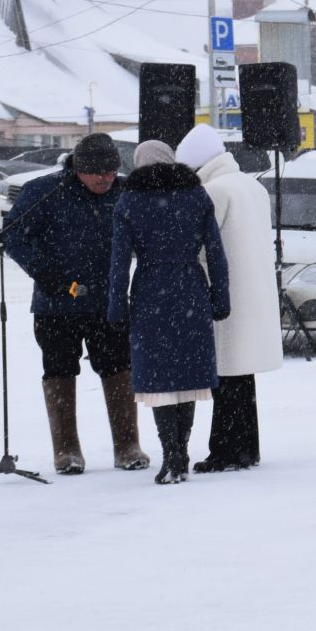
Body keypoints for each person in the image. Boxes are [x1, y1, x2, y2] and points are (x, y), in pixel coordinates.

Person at [1, 132, 148, 475]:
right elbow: (13, 236)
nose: (106, 179)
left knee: (118, 368)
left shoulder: (126, 192)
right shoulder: (45, 191)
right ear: (78, 169)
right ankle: (66, 450)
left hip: (108, 304)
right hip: (57, 304)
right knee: (60, 370)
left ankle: (127, 445)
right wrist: (47, 276)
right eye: (98, 173)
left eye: (112, 171)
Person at [107, 141, 229, 485]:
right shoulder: (196, 196)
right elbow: (216, 254)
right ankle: (183, 452)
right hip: (191, 287)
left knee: (159, 378)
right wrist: (220, 297)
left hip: (149, 292)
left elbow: (118, 263)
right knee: (188, 376)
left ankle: (171, 455)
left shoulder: (129, 201)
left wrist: (116, 306)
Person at [176, 126, 281, 472]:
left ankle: (225, 451)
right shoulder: (252, 186)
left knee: (226, 377)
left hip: (228, 293)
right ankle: (247, 448)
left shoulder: (213, 191)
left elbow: (200, 247)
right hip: (255, 292)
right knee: (242, 378)